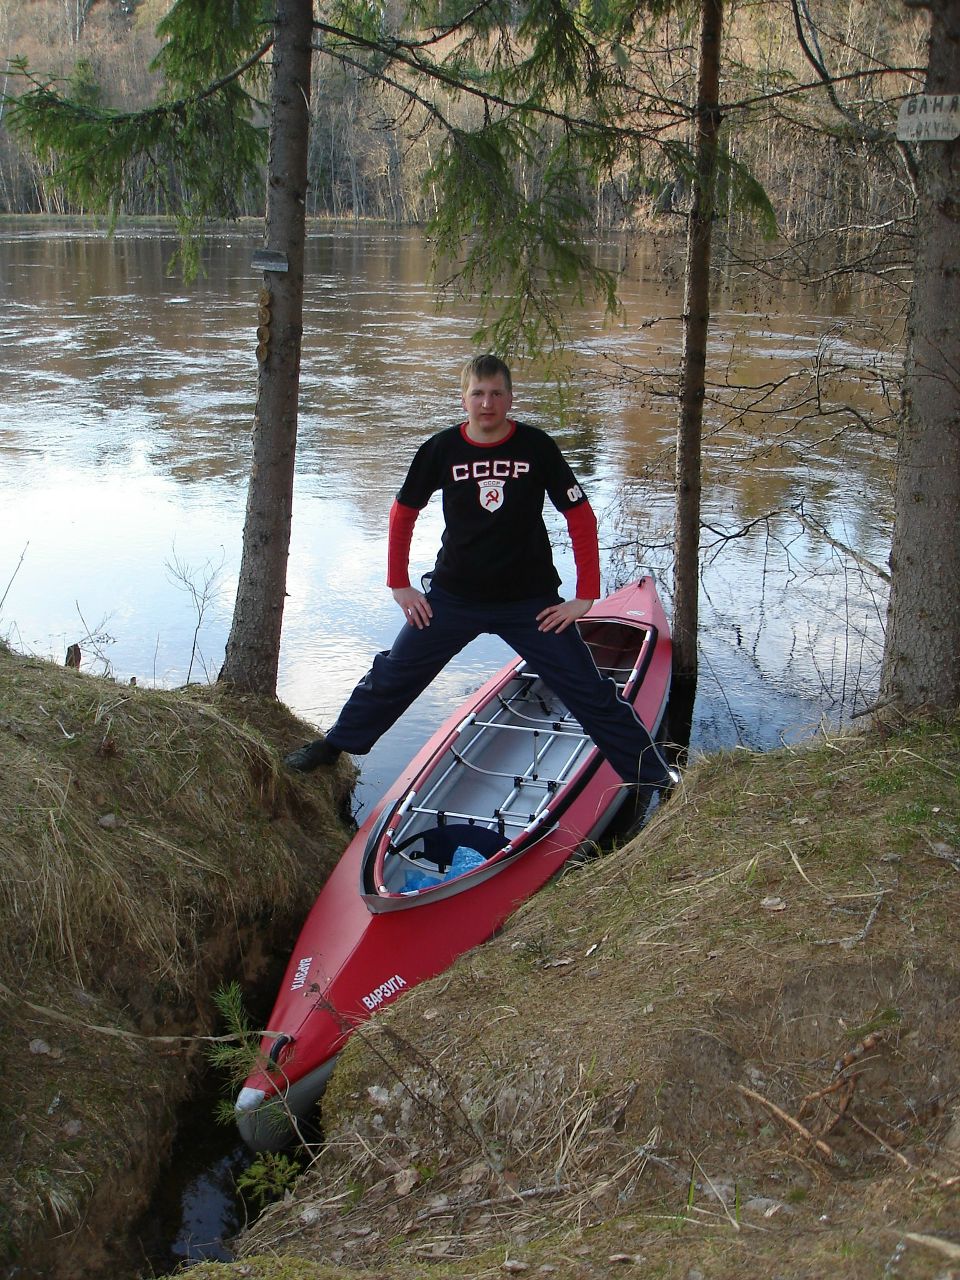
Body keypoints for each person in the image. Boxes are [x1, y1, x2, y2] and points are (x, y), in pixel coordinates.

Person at [285, 354, 677, 790]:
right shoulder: (440, 449)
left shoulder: (536, 446)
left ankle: (657, 777)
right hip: (453, 598)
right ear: (464, 399)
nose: (486, 403)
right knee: (393, 673)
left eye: (495, 394)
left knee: (589, 691)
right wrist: (399, 584)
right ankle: (332, 746)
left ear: (510, 398)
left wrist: (585, 596)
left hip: (530, 603)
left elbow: (580, 516)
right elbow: (403, 513)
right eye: (478, 394)